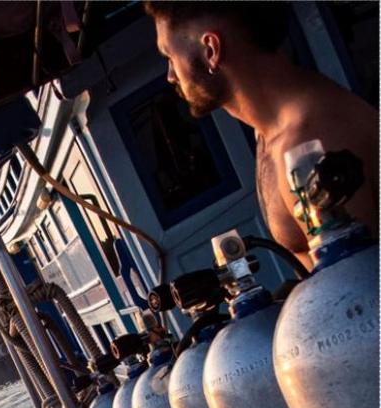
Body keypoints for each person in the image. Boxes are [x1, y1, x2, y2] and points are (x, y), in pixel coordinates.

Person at [145, 1, 379, 269]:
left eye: (169, 57)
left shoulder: (313, 139)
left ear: (211, 49)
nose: (170, 76)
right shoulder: (268, 133)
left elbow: (361, 293)